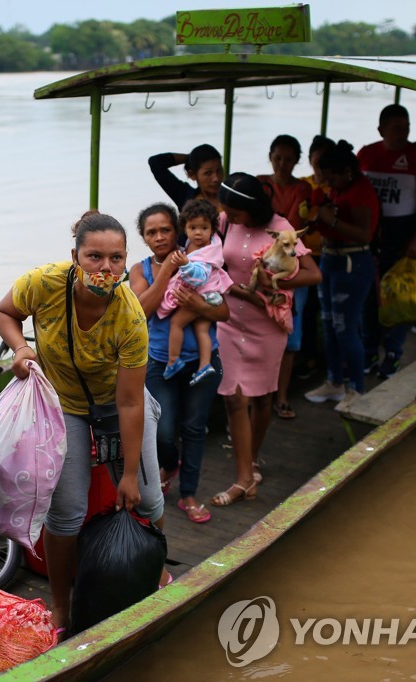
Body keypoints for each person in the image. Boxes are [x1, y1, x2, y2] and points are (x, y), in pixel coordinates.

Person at [0, 211, 167, 632]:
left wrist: (127, 473)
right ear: (75, 256)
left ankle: (155, 573)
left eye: (115, 259)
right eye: (94, 257)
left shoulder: (130, 317)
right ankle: (61, 605)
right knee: (66, 514)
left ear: (126, 261)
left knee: (149, 498)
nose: (105, 269)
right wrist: (20, 349)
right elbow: (5, 312)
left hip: (118, 400)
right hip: (65, 404)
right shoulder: (44, 283)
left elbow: (128, 404)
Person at [211, 173, 321, 506]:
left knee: (261, 399)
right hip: (229, 319)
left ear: (252, 207)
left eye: (236, 211)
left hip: (267, 324)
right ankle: (244, 477)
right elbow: (216, 260)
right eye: (226, 210)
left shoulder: (281, 227)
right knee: (233, 397)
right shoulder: (225, 221)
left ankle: (251, 460)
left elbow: (313, 273)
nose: (230, 216)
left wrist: (274, 284)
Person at [129, 202, 228, 524]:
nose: (159, 237)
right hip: (158, 363)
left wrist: (198, 303)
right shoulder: (140, 270)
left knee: (194, 429)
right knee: (163, 431)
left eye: (165, 230)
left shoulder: (200, 259)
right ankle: (169, 465)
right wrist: (167, 271)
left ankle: (189, 494)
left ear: (178, 229)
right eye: (151, 232)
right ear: (143, 238)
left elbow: (224, 312)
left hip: (201, 361)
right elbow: (142, 309)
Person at [358, 104, 416, 380]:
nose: (403, 134)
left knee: (400, 295)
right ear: (381, 130)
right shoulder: (366, 155)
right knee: (369, 295)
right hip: (370, 237)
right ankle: (369, 349)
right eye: (397, 129)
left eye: (406, 128)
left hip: (403, 235)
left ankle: (393, 352)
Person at [303, 141, 380, 411]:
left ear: (347, 171)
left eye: (332, 177)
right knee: (330, 323)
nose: (328, 182)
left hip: (353, 262)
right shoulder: (340, 188)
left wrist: (331, 220)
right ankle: (334, 382)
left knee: (345, 327)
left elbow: (364, 234)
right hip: (331, 259)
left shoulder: (361, 192)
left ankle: (356, 388)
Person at [258, 134, 313, 419]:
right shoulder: (259, 181)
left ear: (295, 162)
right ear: (270, 156)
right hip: (265, 262)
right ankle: (263, 395)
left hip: (288, 264)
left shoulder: (301, 188)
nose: (282, 164)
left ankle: (280, 396)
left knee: (290, 334)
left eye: (288, 159)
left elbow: (289, 225)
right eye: (278, 157)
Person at [157, 198, 233, 385]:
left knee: (176, 323)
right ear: (185, 228)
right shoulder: (199, 245)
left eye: (204, 228)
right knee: (201, 329)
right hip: (209, 295)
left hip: (204, 294)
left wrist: (185, 265)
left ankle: (173, 361)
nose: (198, 232)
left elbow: (199, 277)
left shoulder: (207, 253)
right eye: (193, 227)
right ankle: (205, 365)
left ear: (213, 229)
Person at [294, 134, 336, 381]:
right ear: (309, 160)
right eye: (316, 161)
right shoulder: (303, 186)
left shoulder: (335, 189)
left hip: (327, 254)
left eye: (324, 163)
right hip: (304, 258)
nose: (319, 168)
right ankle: (309, 357)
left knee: (327, 309)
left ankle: (326, 359)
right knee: (307, 310)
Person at [148, 144, 225, 213]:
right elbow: (156, 162)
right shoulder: (185, 197)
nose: (216, 178)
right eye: (208, 173)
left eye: (219, 171)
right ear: (192, 175)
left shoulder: (231, 196)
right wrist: (191, 158)